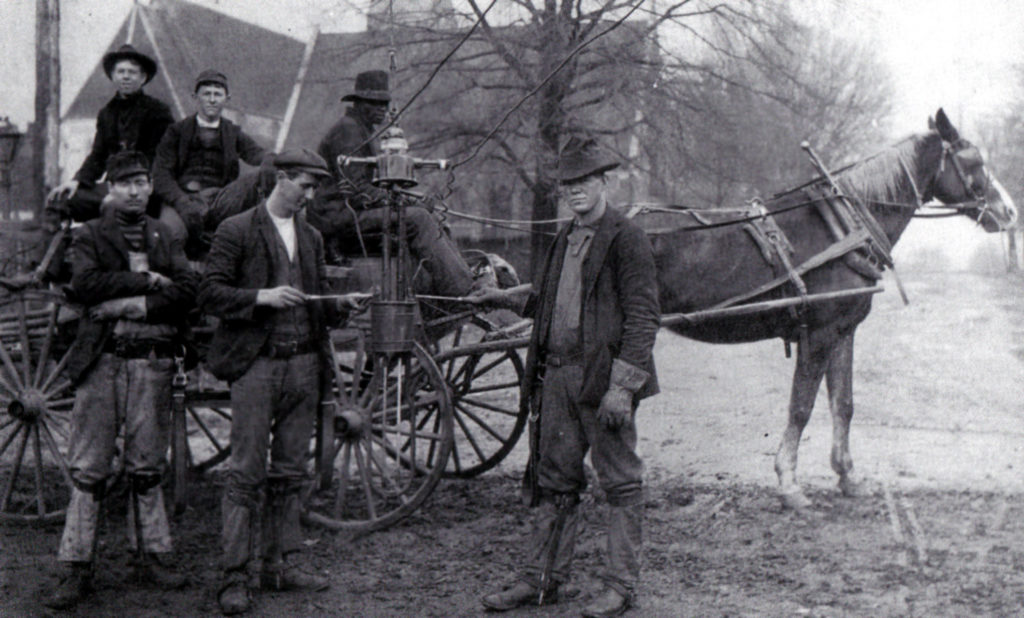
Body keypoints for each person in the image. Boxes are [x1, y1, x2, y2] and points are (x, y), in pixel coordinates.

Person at [473, 138, 661, 618]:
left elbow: (643, 317)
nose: (574, 190)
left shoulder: (626, 238)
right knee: (553, 482)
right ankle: (541, 581)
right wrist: (500, 297)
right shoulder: (564, 237)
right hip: (555, 379)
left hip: (603, 384)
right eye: (567, 184)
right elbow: (546, 302)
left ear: (604, 182)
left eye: (583, 181)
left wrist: (623, 387)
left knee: (620, 483)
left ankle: (620, 587)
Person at [199, 148, 363, 615]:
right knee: (246, 473)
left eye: (314, 188)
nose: (310, 196)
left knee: (291, 471)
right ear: (281, 179)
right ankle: (234, 576)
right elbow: (209, 292)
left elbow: (317, 301)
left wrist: (341, 304)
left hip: (303, 366)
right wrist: (262, 296)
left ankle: (280, 565)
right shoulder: (236, 230)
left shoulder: (309, 236)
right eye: (305, 186)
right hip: (257, 366)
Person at [42, 151, 196, 610]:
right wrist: (148, 281)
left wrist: (134, 304)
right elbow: (85, 286)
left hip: (152, 363)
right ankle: (75, 568)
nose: (135, 190)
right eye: (126, 182)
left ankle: (153, 555)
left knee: (148, 464)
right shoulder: (88, 234)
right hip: (103, 362)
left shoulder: (165, 234)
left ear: (151, 187)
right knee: (89, 468)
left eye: (142, 181)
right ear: (111, 189)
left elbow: (187, 292)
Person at [312, 69, 479, 296]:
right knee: (418, 218)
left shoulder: (361, 130)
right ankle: (464, 291)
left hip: (348, 212)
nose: (383, 109)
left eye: (385, 103)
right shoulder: (349, 131)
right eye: (375, 103)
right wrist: (407, 202)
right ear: (359, 103)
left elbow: (370, 189)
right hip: (338, 215)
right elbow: (356, 191)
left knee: (431, 214)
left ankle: (456, 283)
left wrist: (411, 199)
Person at [47, 45, 174, 222]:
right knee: (63, 199)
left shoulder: (158, 112)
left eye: (132, 72)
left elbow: (160, 159)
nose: (126, 76)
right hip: (113, 185)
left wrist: (127, 190)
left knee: (114, 206)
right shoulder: (106, 113)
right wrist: (77, 181)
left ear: (143, 78)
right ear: (112, 76)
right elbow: (97, 156)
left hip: (145, 187)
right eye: (121, 71)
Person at [152, 69, 265, 253]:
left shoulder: (233, 132)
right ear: (195, 97)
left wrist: (279, 159)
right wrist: (181, 201)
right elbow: (161, 174)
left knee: (259, 176)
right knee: (169, 235)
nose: (212, 100)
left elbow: (257, 154)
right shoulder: (176, 131)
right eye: (206, 94)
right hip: (182, 198)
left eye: (217, 94)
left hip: (220, 201)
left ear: (227, 99)